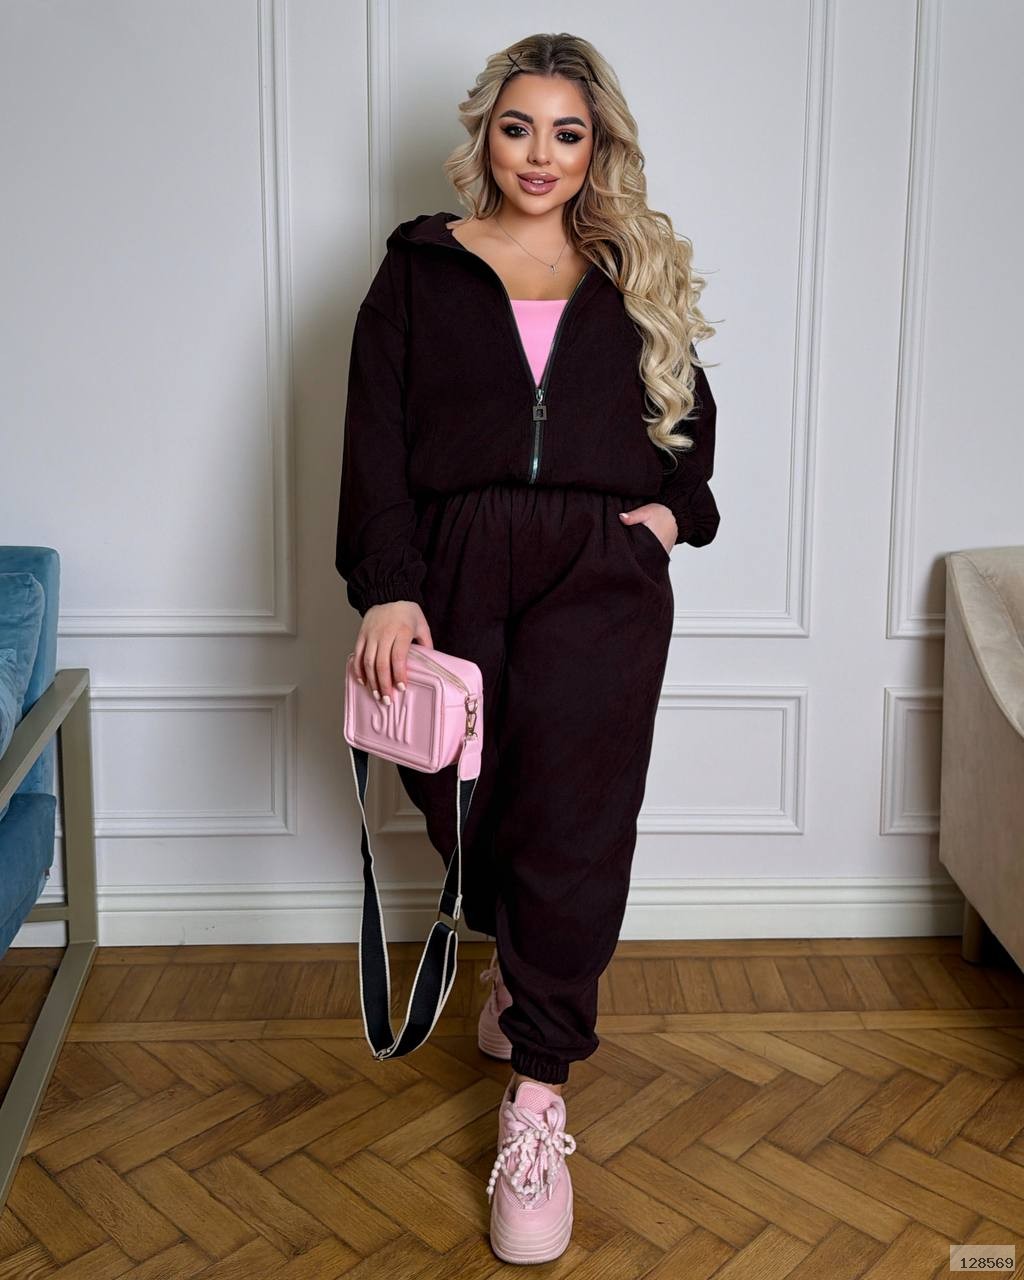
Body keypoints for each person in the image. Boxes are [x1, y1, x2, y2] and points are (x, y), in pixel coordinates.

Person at [335, 32, 720, 1264]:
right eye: (518, 127)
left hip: (599, 573)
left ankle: (537, 1097)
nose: (540, 154)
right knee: (469, 804)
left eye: (566, 131)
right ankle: (517, 963)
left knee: (575, 818)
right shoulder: (420, 269)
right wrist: (389, 588)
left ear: (597, 146)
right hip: (457, 560)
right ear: (484, 135)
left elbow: (691, 430)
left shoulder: (627, 271)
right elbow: (374, 439)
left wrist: (668, 521)